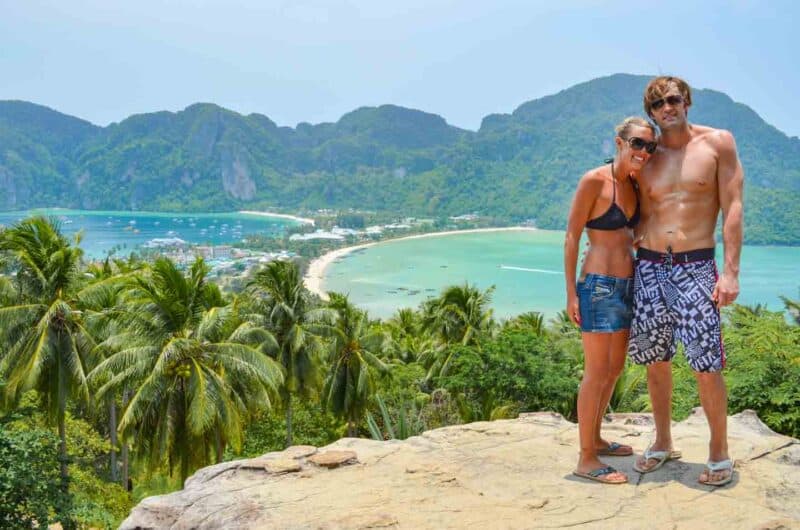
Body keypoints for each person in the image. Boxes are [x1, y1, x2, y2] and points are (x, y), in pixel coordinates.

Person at [628, 76, 744, 487]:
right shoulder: (647, 155)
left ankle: (719, 451)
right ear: (652, 113)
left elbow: (733, 208)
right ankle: (662, 441)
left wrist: (730, 272)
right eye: (657, 104)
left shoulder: (717, 143)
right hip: (650, 265)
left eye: (673, 99)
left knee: (707, 364)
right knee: (656, 361)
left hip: (696, 267)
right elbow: (631, 206)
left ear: (687, 101)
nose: (666, 108)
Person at [564, 116, 657, 484]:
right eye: (637, 143)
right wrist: (571, 291)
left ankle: (597, 439)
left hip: (626, 285)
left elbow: (629, 234)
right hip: (598, 285)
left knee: (615, 369)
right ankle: (586, 458)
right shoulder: (594, 181)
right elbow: (572, 236)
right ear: (619, 142)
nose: (644, 152)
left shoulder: (634, 184)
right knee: (596, 371)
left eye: (650, 146)